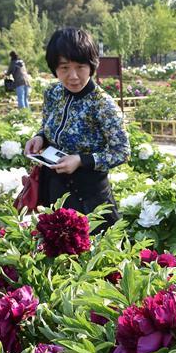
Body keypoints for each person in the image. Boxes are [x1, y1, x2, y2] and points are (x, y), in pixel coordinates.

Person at [24, 28, 130, 228]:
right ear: (54, 68)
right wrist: (40, 138)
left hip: (89, 197)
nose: (73, 76)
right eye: (64, 68)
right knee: (55, 251)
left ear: (91, 66)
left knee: (95, 253)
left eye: (80, 67)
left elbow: (122, 152)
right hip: (54, 189)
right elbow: (48, 125)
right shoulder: (53, 93)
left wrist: (81, 160)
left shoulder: (102, 105)